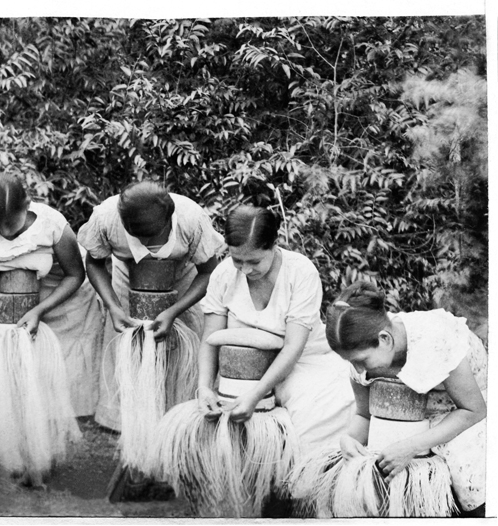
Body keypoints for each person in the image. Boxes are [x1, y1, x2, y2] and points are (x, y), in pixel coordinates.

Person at [197, 205, 354, 449]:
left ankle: (297, 481)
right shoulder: (223, 274)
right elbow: (210, 338)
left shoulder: (300, 272)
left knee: (313, 417)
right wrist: (204, 387)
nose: (246, 270)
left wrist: (257, 393)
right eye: (237, 260)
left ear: (274, 244)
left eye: (254, 261)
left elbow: (293, 347)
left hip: (303, 362)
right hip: (241, 366)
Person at [325, 281, 487, 517]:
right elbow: (364, 414)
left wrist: (412, 446)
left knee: (467, 482)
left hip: (459, 410)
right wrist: (349, 438)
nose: (357, 368)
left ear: (385, 339)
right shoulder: (362, 361)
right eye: (350, 362)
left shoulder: (437, 338)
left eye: (361, 360)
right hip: (403, 417)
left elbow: (474, 410)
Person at [77, 180, 224, 431]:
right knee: (130, 348)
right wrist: (113, 306)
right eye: (138, 237)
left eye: (153, 236)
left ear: (170, 219)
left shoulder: (192, 219)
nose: (146, 245)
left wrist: (174, 310)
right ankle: (132, 428)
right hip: (128, 276)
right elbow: (94, 263)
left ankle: (180, 424)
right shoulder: (105, 218)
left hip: (183, 277)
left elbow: (210, 272)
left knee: (185, 350)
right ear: (123, 223)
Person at [0, 172, 105, 416]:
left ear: (27, 205)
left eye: (11, 224)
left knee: (58, 379)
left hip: (64, 299)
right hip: (15, 305)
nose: (5, 232)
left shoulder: (52, 224)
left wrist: (39, 310)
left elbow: (75, 275)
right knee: (18, 383)